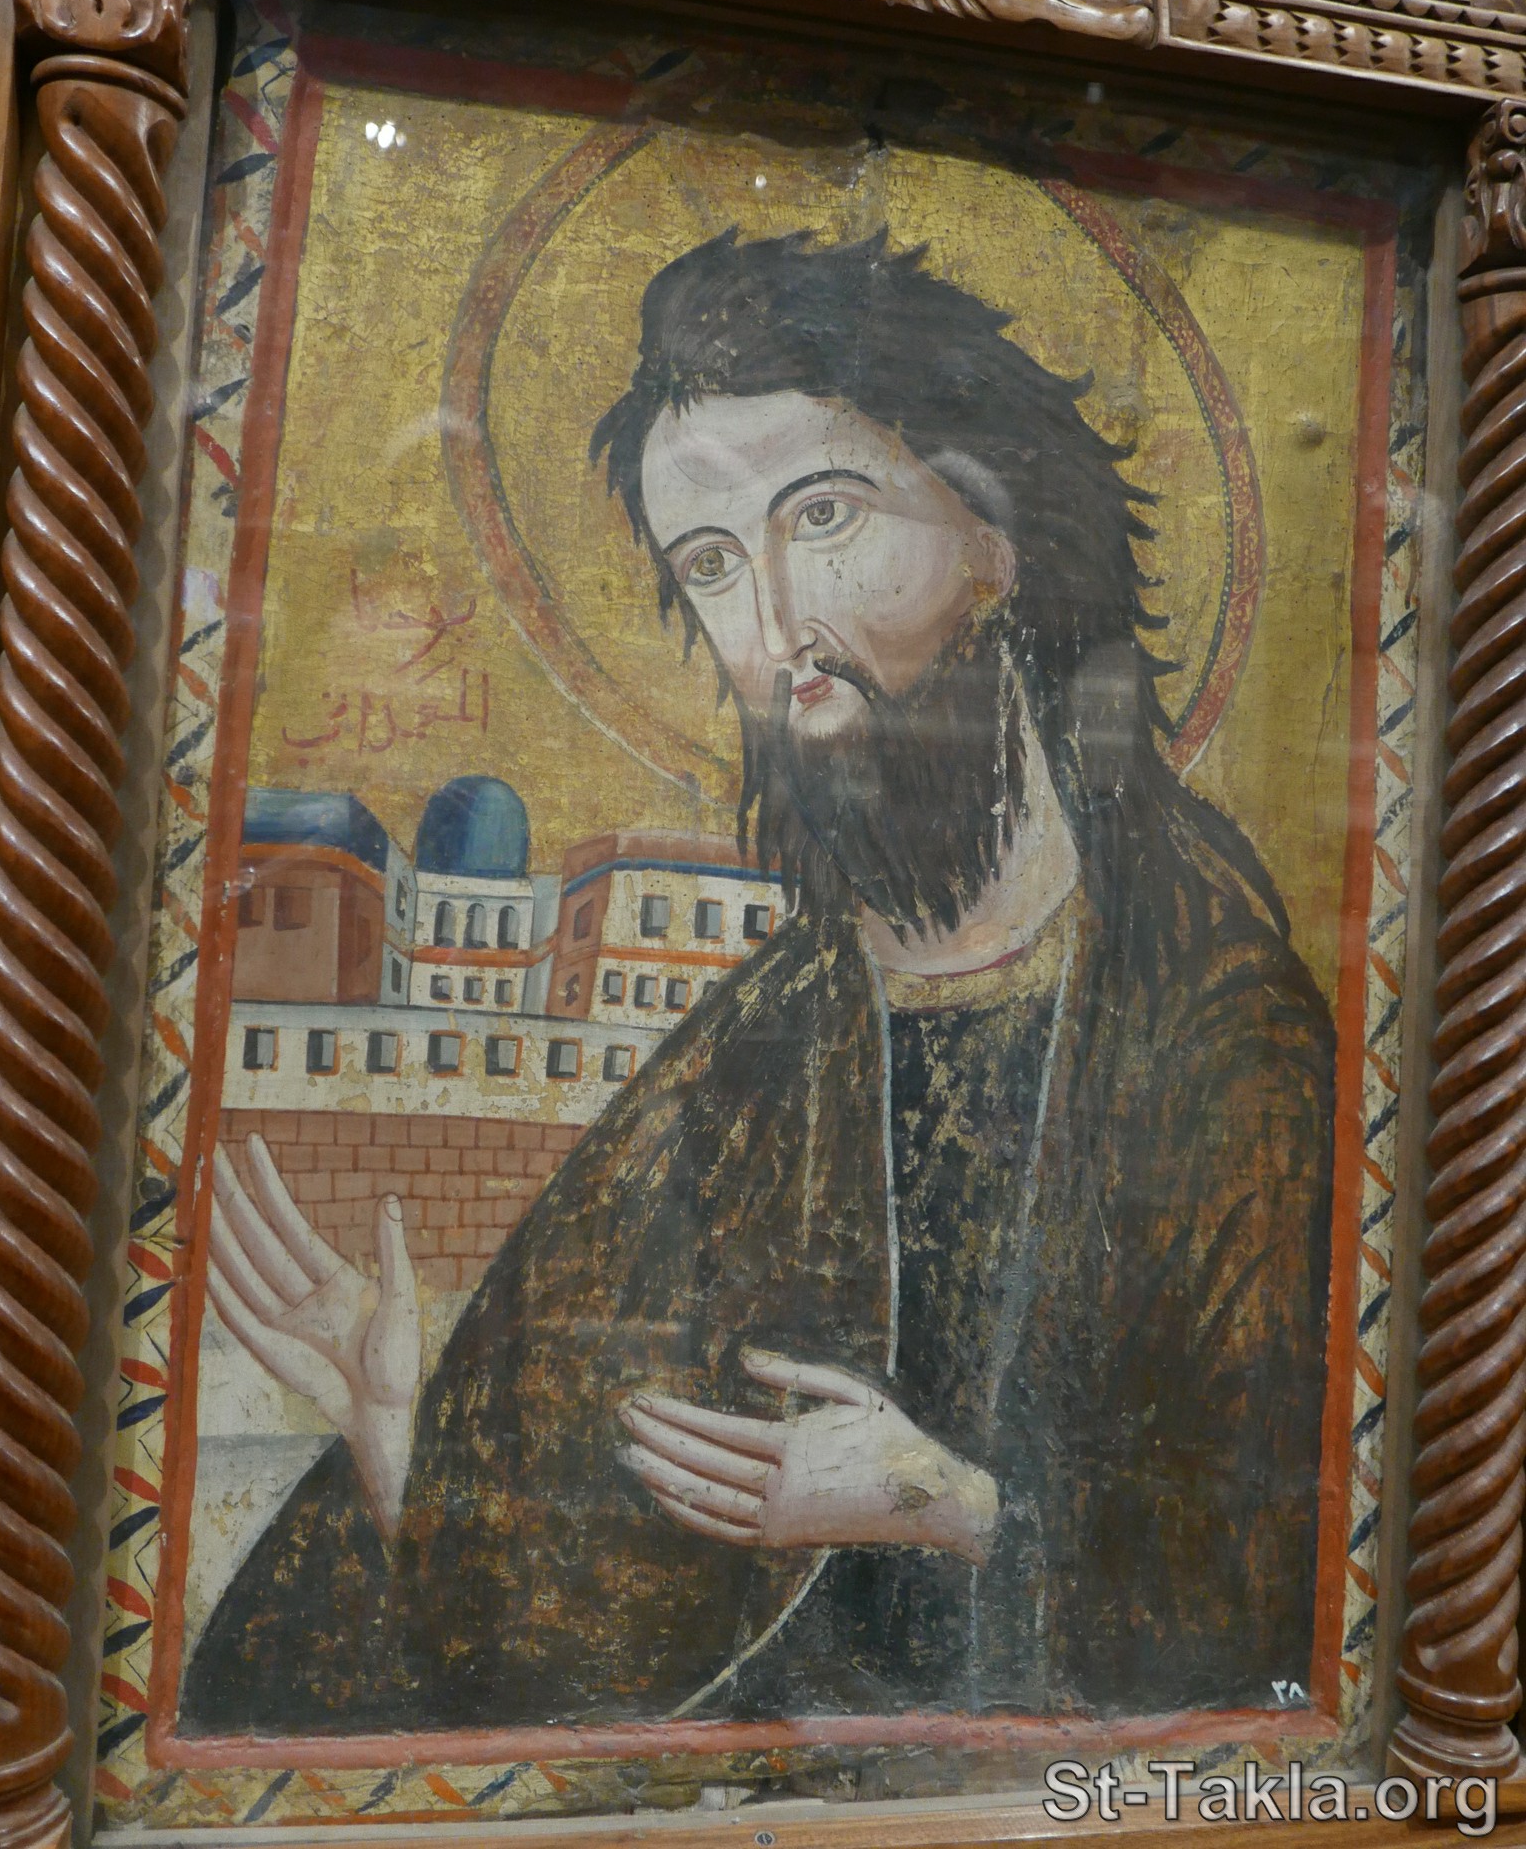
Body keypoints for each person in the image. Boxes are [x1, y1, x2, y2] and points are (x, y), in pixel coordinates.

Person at [182, 231, 1335, 1734]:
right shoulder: (763, 1037)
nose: (777, 629)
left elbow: (1275, 1610)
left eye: (827, 515)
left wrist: (955, 1507)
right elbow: (559, 1645)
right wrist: (410, 1425)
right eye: (713, 568)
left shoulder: (1216, 1024)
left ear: (999, 537)